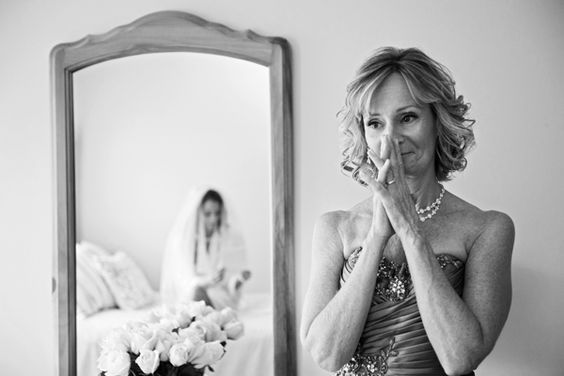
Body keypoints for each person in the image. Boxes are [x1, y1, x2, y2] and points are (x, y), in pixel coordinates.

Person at [300, 47, 514, 376]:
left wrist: (411, 232)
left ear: (436, 122)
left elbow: (460, 358)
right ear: (364, 134)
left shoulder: (487, 228)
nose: (391, 137)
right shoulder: (335, 227)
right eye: (375, 122)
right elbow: (327, 357)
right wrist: (376, 237)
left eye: (407, 117)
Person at [160, 186, 251, 309]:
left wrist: (238, 279)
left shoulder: (227, 236)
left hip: (220, 295)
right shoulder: (184, 240)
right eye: (208, 214)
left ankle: (207, 316)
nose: (213, 219)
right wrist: (207, 281)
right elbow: (183, 278)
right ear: (198, 213)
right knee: (196, 293)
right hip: (192, 292)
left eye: (217, 213)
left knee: (206, 298)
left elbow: (230, 278)